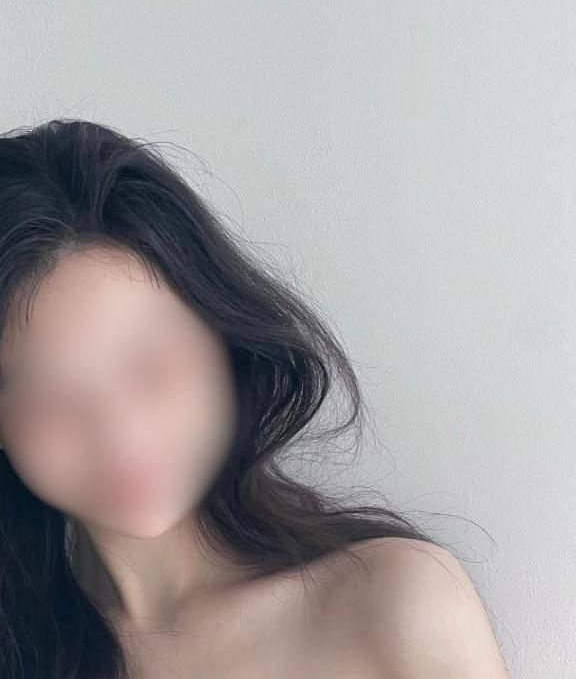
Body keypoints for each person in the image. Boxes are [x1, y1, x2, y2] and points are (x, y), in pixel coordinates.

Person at [0, 118, 509, 678]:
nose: (119, 435)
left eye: (151, 370)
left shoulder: (392, 604)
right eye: (49, 399)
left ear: (225, 344)